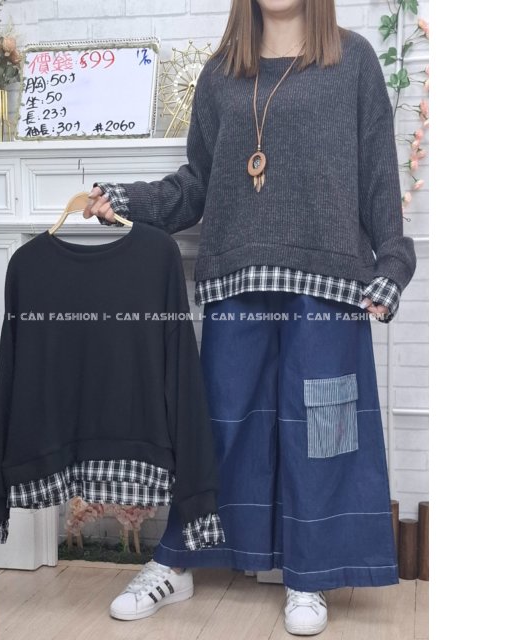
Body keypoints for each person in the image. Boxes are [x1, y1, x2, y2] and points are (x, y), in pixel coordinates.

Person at [84, 0, 417, 635]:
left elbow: (379, 178)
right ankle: (178, 562)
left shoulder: (354, 61)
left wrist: (393, 265)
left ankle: (309, 573)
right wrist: (126, 200)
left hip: (329, 287)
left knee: (323, 434)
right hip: (238, 278)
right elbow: (196, 185)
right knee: (220, 429)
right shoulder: (221, 73)